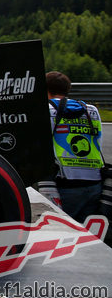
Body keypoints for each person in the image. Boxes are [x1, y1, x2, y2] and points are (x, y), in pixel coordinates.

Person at [46, 70, 105, 223]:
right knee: (89, 237)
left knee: (63, 233)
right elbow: (98, 141)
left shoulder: (48, 110)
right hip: (95, 182)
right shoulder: (91, 110)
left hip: (66, 183)